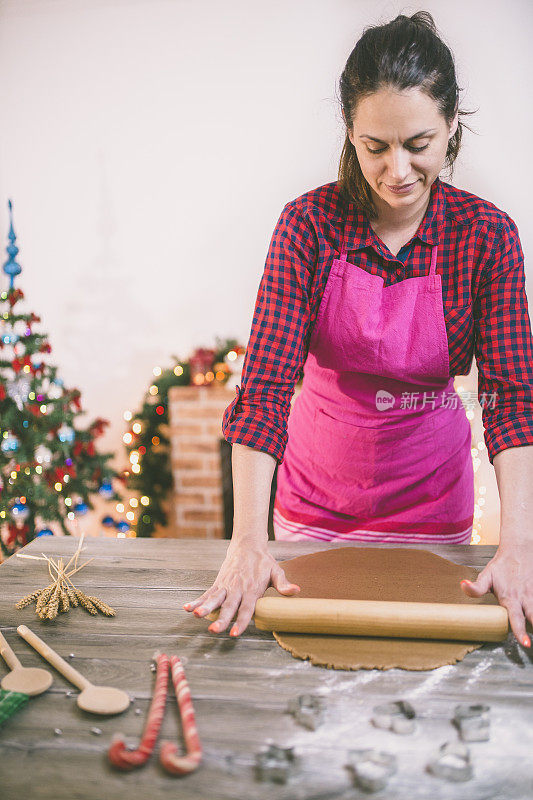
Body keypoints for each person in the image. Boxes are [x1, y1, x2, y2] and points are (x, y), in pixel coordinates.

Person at [184, 11, 533, 648]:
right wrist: (247, 544)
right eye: (375, 147)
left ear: (452, 126)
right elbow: (263, 391)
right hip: (313, 505)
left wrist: (519, 546)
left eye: (418, 144)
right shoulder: (307, 227)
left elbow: (514, 400)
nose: (397, 170)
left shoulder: (487, 236)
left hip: (433, 506)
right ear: (350, 132)